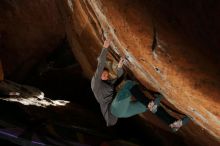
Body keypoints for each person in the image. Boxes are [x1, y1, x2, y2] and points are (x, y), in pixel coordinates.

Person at [91, 39, 190, 131]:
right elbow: (100, 67)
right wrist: (105, 48)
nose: (106, 76)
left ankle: (172, 123)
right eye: (104, 74)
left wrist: (120, 67)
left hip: (121, 111)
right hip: (115, 110)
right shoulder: (95, 83)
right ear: (99, 75)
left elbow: (119, 78)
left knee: (144, 105)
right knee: (128, 85)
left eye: (107, 75)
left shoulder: (107, 84)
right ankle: (150, 104)